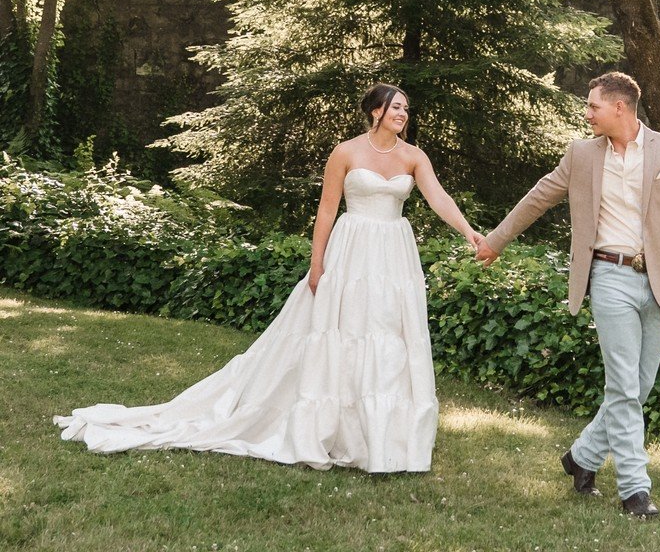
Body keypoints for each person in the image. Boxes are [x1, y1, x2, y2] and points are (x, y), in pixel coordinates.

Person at [56, 84, 484, 473]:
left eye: (406, 109)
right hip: (351, 250)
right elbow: (327, 210)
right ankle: (330, 426)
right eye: (395, 108)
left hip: (393, 254)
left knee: (387, 336)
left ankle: (384, 438)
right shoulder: (346, 152)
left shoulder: (414, 156)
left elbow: (438, 197)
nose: (402, 114)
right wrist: (317, 265)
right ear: (375, 111)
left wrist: (469, 232)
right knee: (343, 333)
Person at [476, 70, 660, 520]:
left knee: (638, 387)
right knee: (622, 384)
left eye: (593, 106)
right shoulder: (582, 154)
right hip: (608, 276)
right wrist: (496, 240)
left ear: (619, 107)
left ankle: (582, 457)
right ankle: (635, 490)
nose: (587, 113)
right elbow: (539, 196)